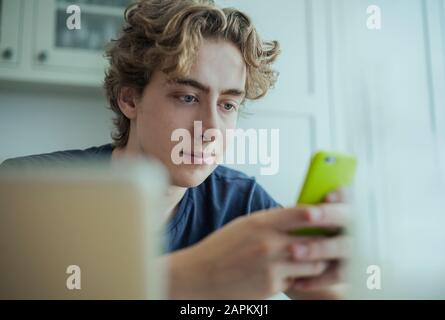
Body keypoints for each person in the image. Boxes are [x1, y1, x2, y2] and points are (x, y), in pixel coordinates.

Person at [0, 0, 349, 299]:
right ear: (129, 98)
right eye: (188, 97)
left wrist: (325, 268)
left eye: (228, 105)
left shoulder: (240, 202)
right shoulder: (27, 189)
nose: (212, 129)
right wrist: (197, 274)